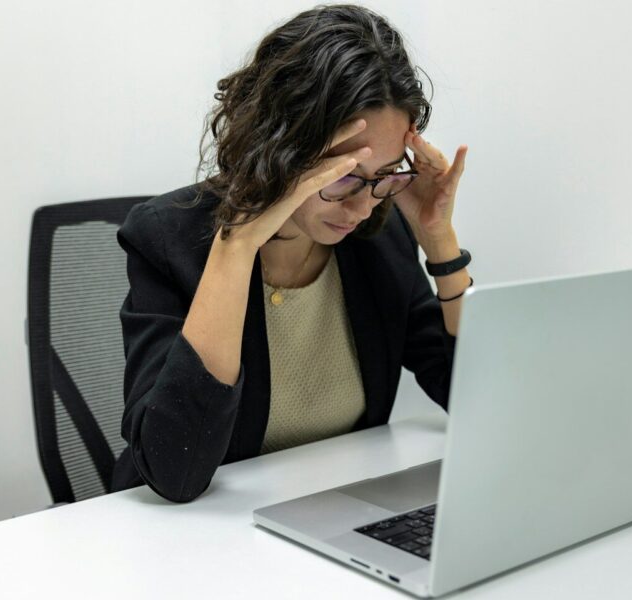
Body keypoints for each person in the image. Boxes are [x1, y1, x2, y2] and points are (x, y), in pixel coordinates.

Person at [111, 4, 471, 502]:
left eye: (385, 175)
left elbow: (479, 402)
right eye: (343, 175)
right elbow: (176, 471)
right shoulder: (168, 238)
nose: (362, 206)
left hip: (330, 516)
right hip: (192, 542)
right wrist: (237, 247)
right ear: (278, 146)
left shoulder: (377, 240)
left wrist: (440, 244)